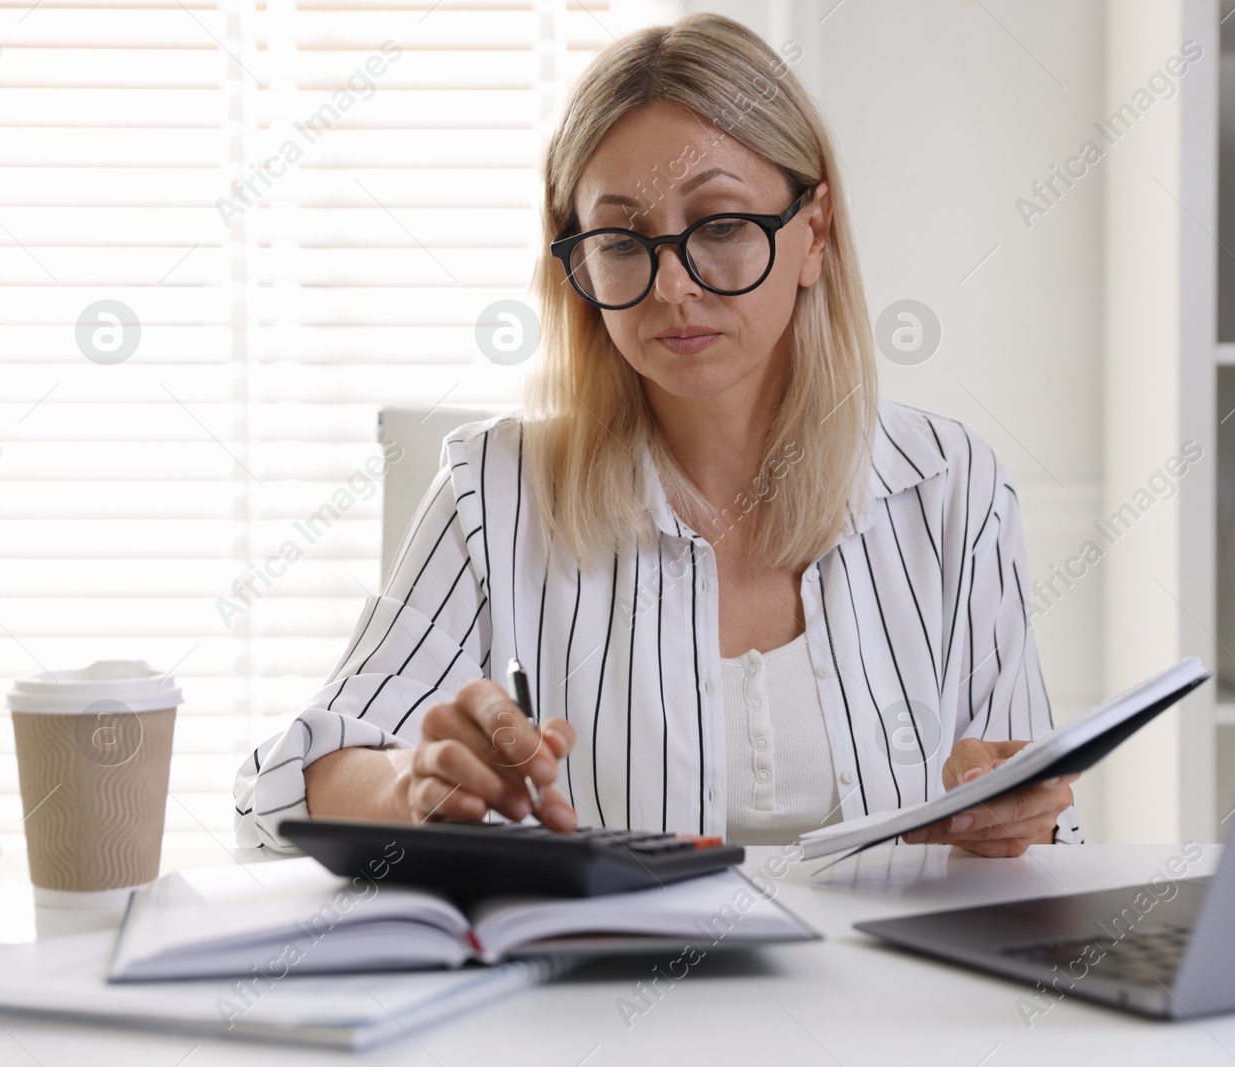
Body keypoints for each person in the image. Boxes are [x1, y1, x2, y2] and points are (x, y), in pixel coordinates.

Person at [234, 12, 1081, 855]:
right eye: (622, 238)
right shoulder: (490, 491)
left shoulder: (949, 485)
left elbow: (1048, 824)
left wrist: (1013, 816)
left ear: (812, 234)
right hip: (604, 989)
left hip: (893, 990)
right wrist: (409, 783)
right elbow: (281, 788)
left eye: (719, 226)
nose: (672, 286)